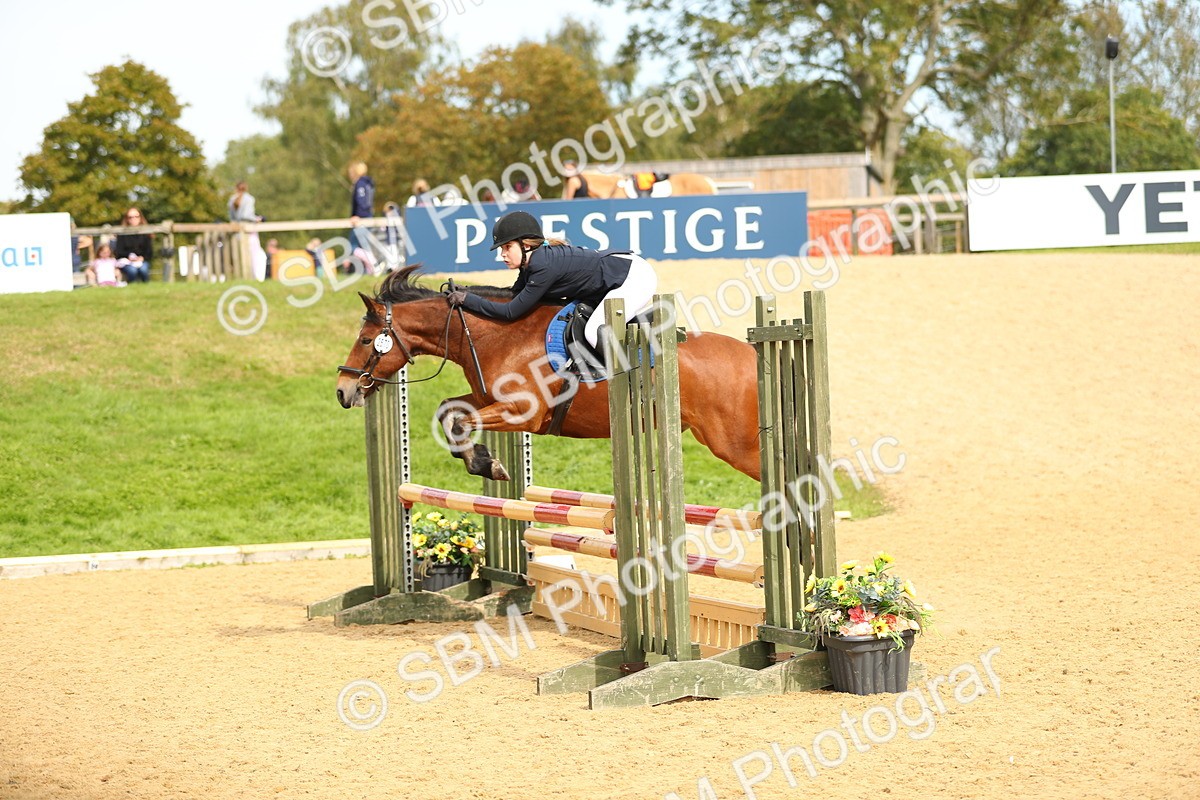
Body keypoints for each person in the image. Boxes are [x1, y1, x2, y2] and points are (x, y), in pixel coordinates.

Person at [445, 211, 657, 349]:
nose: (502, 254)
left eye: (507, 247)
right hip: (615, 273)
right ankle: (642, 323)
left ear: (525, 245)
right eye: (502, 249)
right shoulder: (531, 263)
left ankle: (632, 379)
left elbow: (510, 312)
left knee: (593, 332)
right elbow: (512, 296)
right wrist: (471, 292)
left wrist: (466, 300)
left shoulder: (541, 266)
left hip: (633, 277)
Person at [229, 181, 268, 281]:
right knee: (255, 256)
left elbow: (232, 217)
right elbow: (246, 215)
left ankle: (241, 277)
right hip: (248, 232)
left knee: (238, 257)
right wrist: (258, 219)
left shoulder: (231, 199)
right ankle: (255, 278)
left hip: (235, 233)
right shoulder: (249, 199)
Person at [113, 207, 152, 283]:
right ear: (127, 219)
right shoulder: (122, 234)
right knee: (132, 270)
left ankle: (146, 288)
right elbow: (118, 251)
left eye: (136, 216)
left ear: (140, 217)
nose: (133, 219)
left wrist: (141, 258)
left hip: (141, 261)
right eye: (130, 217)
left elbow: (149, 252)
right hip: (126, 261)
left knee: (143, 269)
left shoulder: (146, 233)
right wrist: (129, 257)